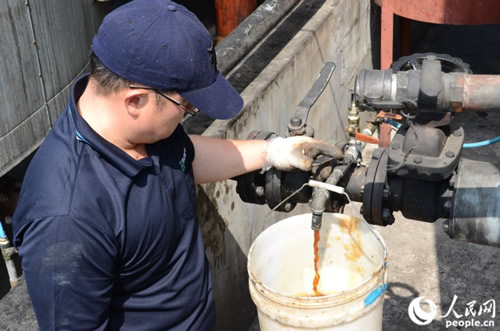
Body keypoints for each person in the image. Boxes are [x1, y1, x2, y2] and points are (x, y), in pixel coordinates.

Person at [13, 0, 343, 330]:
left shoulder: (143, 130)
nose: (188, 114)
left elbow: (186, 159)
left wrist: (273, 152)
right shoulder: (67, 217)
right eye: (186, 106)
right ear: (135, 101)